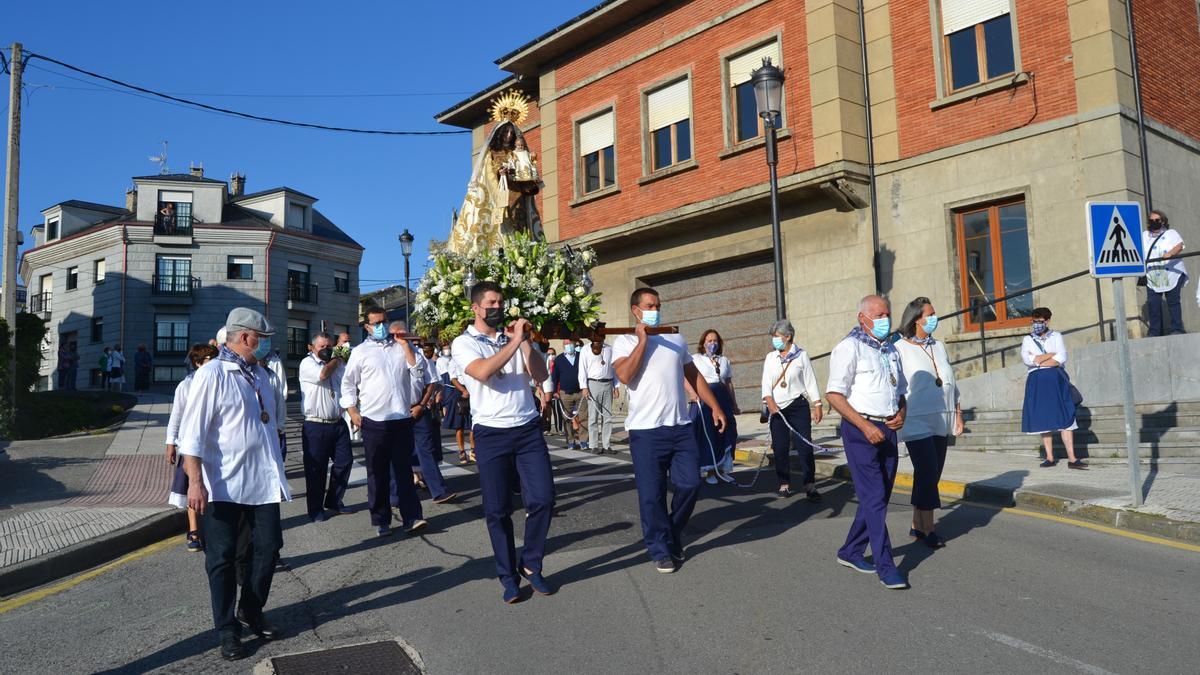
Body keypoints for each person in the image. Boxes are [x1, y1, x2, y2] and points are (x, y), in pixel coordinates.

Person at [178, 308, 290, 661]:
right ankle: (227, 629)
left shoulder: (261, 375)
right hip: (222, 484)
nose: (266, 344)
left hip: (262, 480)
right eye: (263, 338)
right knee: (222, 559)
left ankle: (251, 610)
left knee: (270, 546)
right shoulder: (212, 374)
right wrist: (194, 483)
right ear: (245, 337)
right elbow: (191, 435)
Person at [452, 280, 556, 603]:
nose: (497, 308)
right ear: (476, 308)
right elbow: (482, 372)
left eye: (501, 303)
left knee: (544, 498)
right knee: (497, 510)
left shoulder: (513, 338)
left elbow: (539, 374)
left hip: (526, 429)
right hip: (491, 433)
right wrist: (514, 343)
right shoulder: (463, 343)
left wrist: (525, 344)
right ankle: (508, 577)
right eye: (491, 304)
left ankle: (531, 563)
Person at [613, 288, 727, 574]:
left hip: (680, 426)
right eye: (650, 306)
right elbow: (625, 375)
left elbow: (693, 375)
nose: (656, 310)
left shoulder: (676, 338)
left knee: (690, 484)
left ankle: (673, 533)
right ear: (635, 310)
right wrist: (642, 341)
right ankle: (660, 548)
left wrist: (715, 406)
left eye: (658, 305)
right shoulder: (624, 341)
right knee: (651, 496)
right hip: (645, 432)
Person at [826, 295, 909, 590]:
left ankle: (850, 550)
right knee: (874, 498)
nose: (885, 318)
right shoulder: (848, 348)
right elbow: (834, 395)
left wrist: (901, 413)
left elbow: (900, 391)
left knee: (880, 497)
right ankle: (886, 566)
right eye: (879, 314)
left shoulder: (890, 349)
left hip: (888, 429)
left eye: (888, 312)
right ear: (863, 318)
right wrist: (863, 425)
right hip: (860, 429)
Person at [341, 308, 428, 537]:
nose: (380, 326)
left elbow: (418, 371)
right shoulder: (360, 352)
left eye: (383, 321)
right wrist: (351, 409)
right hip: (374, 421)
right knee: (377, 473)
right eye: (375, 323)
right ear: (367, 327)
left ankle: (412, 517)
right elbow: (348, 383)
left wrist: (406, 346)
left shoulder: (402, 347)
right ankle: (381, 519)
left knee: (403, 471)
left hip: (401, 418)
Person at [894, 298, 962, 549]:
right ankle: (928, 529)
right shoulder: (899, 348)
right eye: (930, 314)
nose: (935, 318)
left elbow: (950, 380)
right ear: (916, 320)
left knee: (931, 475)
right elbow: (896, 383)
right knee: (927, 470)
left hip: (941, 418)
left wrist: (958, 411)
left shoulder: (939, 346)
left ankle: (915, 523)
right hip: (915, 421)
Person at [761, 320, 823, 501]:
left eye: (777, 336)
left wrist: (817, 404)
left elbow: (810, 381)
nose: (774, 340)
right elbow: (765, 382)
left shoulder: (801, 355)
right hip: (777, 408)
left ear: (788, 337)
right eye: (773, 337)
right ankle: (784, 483)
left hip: (798, 405)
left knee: (805, 447)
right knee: (780, 448)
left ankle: (810, 484)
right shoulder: (770, 358)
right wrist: (768, 400)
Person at [166, 342, 219, 552]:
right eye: (209, 360)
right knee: (193, 487)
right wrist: (170, 443)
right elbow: (176, 416)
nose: (214, 364)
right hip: (190, 447)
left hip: (213, 447)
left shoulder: (219, 382)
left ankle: (212, 528)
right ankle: (194, 530)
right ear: (197, 363)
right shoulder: (186, 386)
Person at [298, 332, 354, 522]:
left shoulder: (336, 364)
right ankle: (315, 509)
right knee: (316, 470)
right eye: (322, 346)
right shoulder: (307, 364)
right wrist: (337, 359)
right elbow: (322, 375)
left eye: (329, 346)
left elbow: (346, 386)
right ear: (312, 347)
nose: (326, 350)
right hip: (316, 424)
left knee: (345, 461)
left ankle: (333, 500)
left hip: (337, 423)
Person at [1021, 307, 1085, 469]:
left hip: (1056, 381)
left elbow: (1061, 357)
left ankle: (1072, 458)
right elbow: (1027, 360)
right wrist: (1050, 355)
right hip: (1037, 382)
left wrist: (1040, 360)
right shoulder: (1027, 339)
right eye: (1034, 321)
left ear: (1048, 321)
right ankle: (1050, 457)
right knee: (1043, 419)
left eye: (1040, 321)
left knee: (1065, 417)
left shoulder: (1056, 336)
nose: (1036, 324)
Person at [408, 338, 457, 504]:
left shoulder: (421, 357)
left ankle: (438, 491)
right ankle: (396, 494)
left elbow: (432, 382)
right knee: (397, 453)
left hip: (419, 410)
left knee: (426, 450)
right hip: (396, 413)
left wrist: (422, 404)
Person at [688, 330, 738, 485]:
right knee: (708, 434)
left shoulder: (724, 361)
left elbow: (728, 384)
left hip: (722, 399)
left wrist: (734, 403)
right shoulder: (695, 359)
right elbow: (687, 377)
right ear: (703, 343)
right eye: (709, 340)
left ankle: (723, 469)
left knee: (727, 431)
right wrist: (692, 393)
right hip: (705, 400)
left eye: (715, 340)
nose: (712, 343)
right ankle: (710, 470)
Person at [1142, 210, 1187, 336]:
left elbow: (1181, 246)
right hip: (1152, 274)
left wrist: (1170, 253)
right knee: (1153, 303)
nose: (1154, 222)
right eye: (1151, 220)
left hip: (1171, 272)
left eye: (1157, 220)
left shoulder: (1171, 233)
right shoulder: (1144, 235)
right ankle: (1154, 331)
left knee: (1173, 301)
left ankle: (1177, 328)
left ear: (1163, 221)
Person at [579, 338, 618, 454]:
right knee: (593, 416)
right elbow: (582, 369)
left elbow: (614, 368)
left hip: (608, 383)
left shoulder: (609, 348)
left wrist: (616, 385)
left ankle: (606, 445)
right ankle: (594, 445)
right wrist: (584, 387)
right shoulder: (586, 349)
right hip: (593, 383)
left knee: (607, 416)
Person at [440, 342, 475, 464]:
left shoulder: (470, 358)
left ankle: (473, 450)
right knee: (458, 425)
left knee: (473, 424)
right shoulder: (452, 362)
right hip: (459, 392)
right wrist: (463, 390)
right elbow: (453, 378)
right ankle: (461, 451)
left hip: (472, 391)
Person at [552, 339, 589, 451]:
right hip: (565, 393)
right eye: (566, 344)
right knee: (566, 418)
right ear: (563, 346)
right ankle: (571, 441)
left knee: (584, 417)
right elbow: (555, 376)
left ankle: (583, 441)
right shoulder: (559, 359)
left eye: (570, 344)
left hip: (580, 392)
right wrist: (555, 391)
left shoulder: (581, 356)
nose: (569, 346)